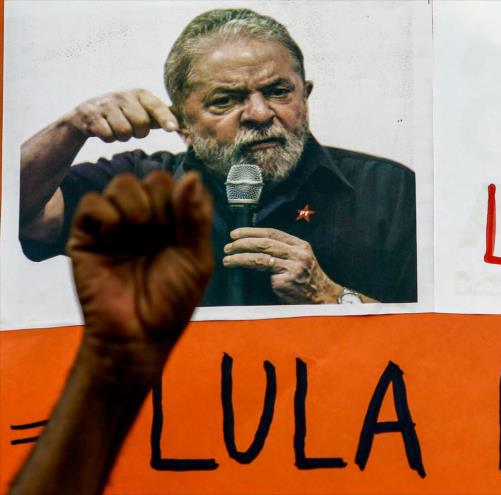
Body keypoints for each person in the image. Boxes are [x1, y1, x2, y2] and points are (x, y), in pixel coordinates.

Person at [19, 8, 417, 306]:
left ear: (305, 95)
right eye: (226, 100)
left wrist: (331, 297)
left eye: (279, 91)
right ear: (181, 123)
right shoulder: (137, 186)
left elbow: (443, 349)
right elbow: (23, 214)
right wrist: (71, 129)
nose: (260, 114)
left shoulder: (392, 192)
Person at [10, 171, 214, 495]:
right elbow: (17, 209)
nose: (257, 116)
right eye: (219, 114)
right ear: (185, 128)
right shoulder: (142, 170)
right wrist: (111, 358)